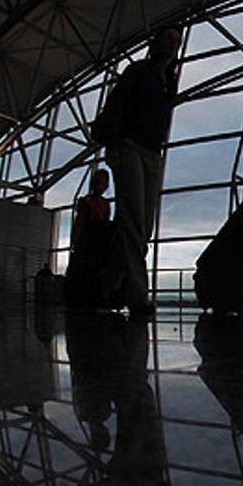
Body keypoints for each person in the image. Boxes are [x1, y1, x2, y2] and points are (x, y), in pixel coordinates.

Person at [91, 24, 182, 317]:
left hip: (152, 153)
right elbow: (115, 108)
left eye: (176, 41)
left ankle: (107, 280)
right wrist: (114, 146)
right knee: (133, 221)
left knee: (143, 225)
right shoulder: (137, 71)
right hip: (129, 147)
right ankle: (137, 296)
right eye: (167, 38)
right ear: (155, 42)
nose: (171, 44)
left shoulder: (168, 80)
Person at [71, 169, 111, 248]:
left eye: (102, 183)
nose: (99, 186)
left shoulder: (104, 203)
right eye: (97, 182)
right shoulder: (87, 201)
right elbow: (80, 222)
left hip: (95, 238)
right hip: (90, 238)